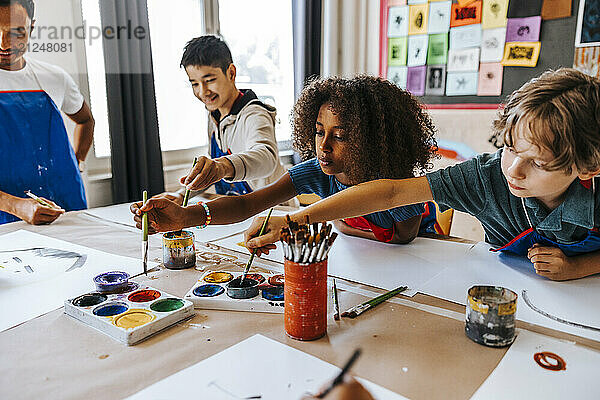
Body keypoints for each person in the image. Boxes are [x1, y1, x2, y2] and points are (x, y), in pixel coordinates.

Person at [245, 68, 600, 281]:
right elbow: (391, 194)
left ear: (588, 166)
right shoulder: (484, 178)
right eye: (509, 147)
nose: (514, 170)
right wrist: (296, 219)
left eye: (537, 162)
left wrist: (578, 268)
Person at [132, 75, 441, 245]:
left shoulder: (399, 183)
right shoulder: (316, 173)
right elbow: (246, 205)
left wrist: (343, 228)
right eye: (319, 132)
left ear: (370, 142)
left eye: (340, 136)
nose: (324, 147)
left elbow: (403, 239)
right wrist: (185, 216)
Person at [158, 35, 288, 204]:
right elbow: (213, 167)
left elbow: (266, 158)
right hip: (239, 211)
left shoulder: (255, 114)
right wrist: (182, 195)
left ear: (231, 73)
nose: (203, 91)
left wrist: (224, 166)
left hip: (275, 212)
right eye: (194, 84)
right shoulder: (214, 115)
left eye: (210, 80)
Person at [0, 0, 94, 225]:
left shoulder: (54, 77)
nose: (3, 44)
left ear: (31, 28)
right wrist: (17, 205)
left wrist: (76, 163)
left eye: (15, 33)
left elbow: (85, 120)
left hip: (64, 209)